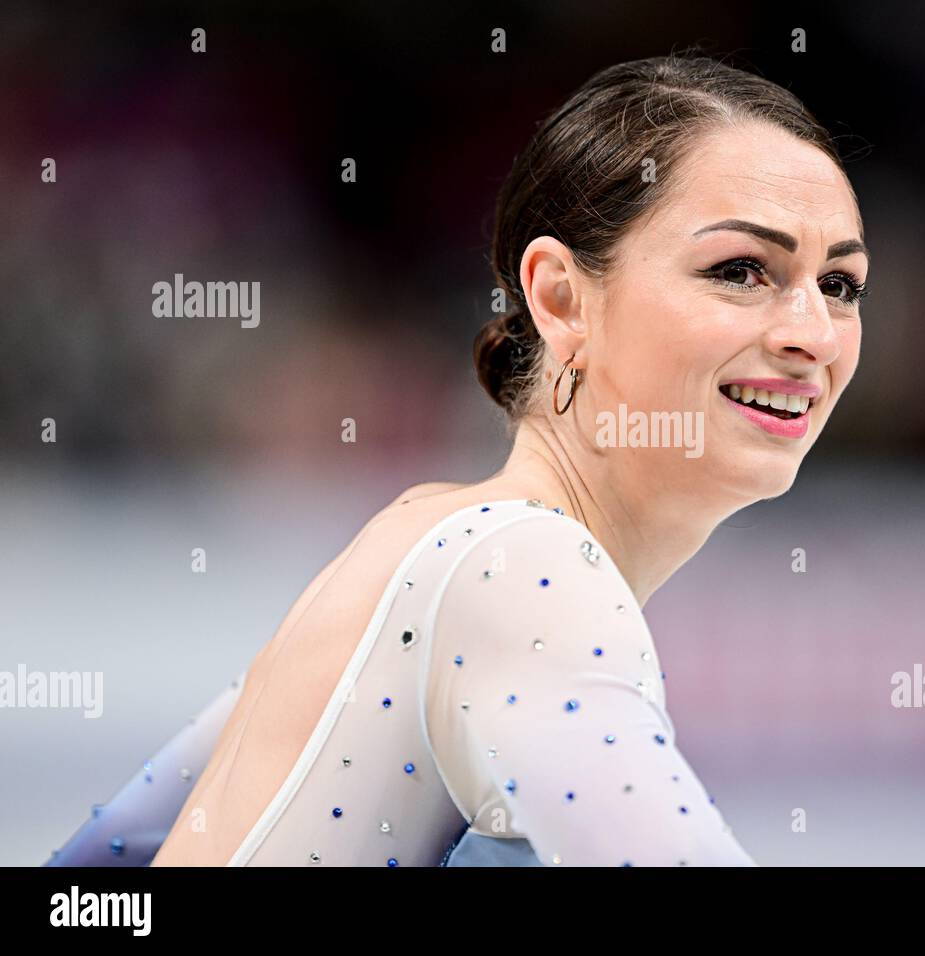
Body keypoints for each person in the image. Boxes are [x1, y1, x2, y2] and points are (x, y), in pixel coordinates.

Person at [44, 51, 867, 867]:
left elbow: (91, 882)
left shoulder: (421, 535)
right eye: (740, 271)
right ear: (560, 297)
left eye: (840, 285)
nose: (814, 335)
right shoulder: (520, 573)